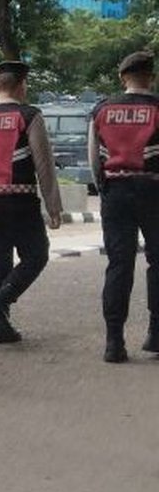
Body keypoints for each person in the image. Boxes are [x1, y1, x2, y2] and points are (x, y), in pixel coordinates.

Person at [0, 61, 62, 344]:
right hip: (20, 199)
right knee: (37, 255)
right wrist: (54, 206)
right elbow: (44, 165)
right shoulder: (29, 116)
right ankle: (0, 299)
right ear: (21, 86)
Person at [88, 50, 159, 363]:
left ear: (122, 78)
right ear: (152, 77)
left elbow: (93, 158)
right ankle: (155, 334)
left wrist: (104, 188)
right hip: (154, 191)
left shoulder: (102, 109)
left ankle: (114, 342)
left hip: (115, 191)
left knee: (119, 264)